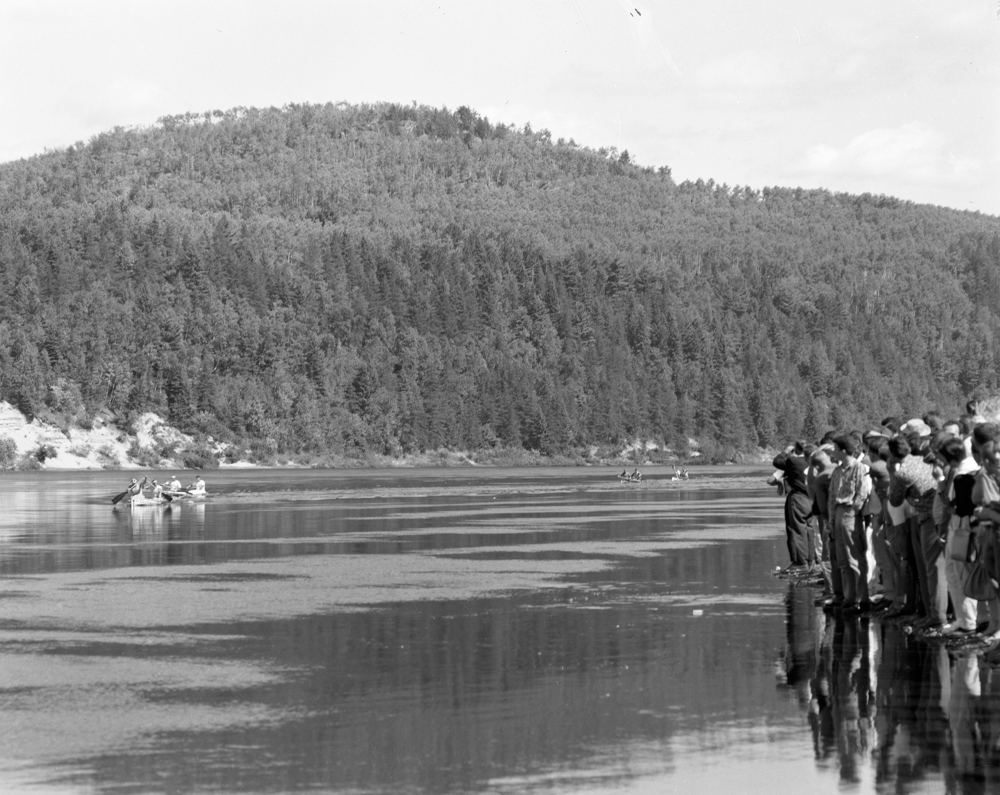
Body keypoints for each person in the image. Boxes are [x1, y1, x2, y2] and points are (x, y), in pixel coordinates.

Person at [827, 435, 872, 612]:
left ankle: (861, 598)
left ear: (844, 451)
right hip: (838, 512)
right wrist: (831, 521)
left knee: (854, 556)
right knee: (842, 559)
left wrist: (853, 512)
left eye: (836, 449)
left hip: (850, 513)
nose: (833, 453)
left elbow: (862, 493)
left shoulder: (859, 468)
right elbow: (831, 496)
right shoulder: (837, 471)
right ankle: (848, 597)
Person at [774, 441, 816, 569]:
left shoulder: (793, 461)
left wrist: (786, 451)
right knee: (810, 530)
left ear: (797, 450)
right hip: (813, 498)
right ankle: (812, 561)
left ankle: (801, 563)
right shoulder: (815, 461)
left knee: (798, 531)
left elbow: (777, 461)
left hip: (799, 498)